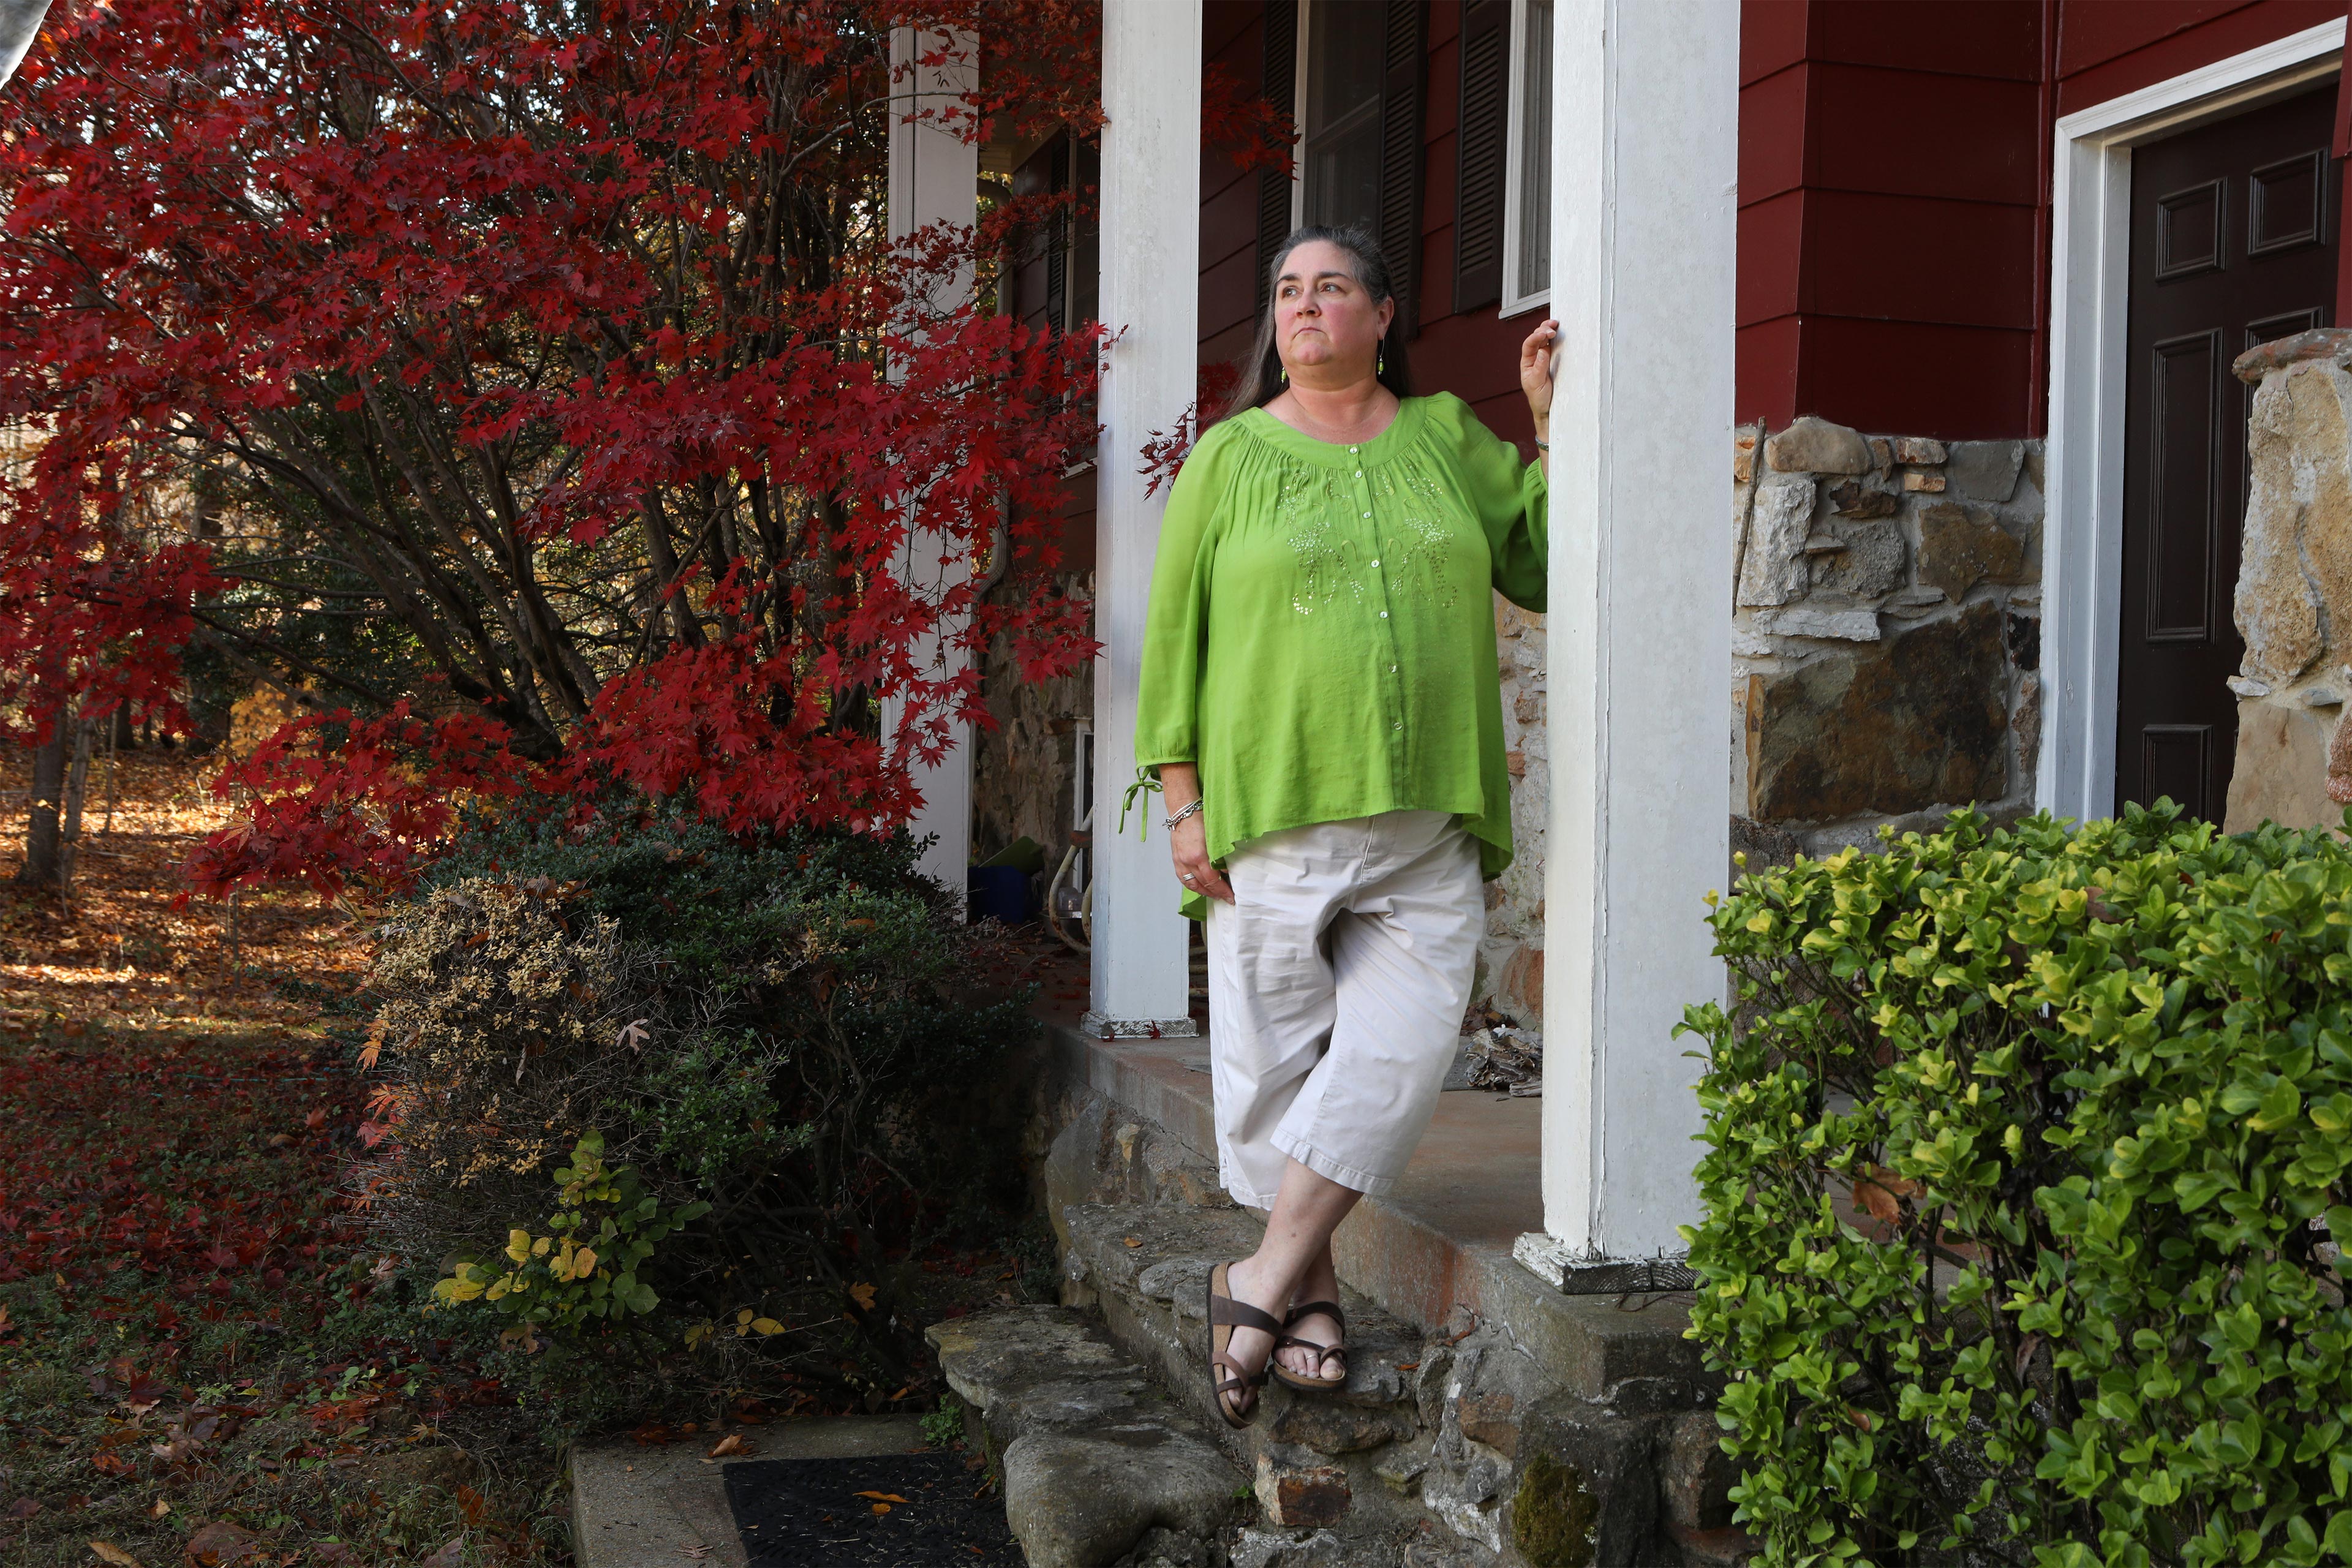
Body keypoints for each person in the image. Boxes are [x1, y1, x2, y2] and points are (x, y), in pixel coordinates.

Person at [1131, 223, 1556, 1425]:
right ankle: (1307, 1303)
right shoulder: (1228, 456)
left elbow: (1543, 555)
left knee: (1403, 1053)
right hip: (1271, 808)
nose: (1305, 306)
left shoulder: (1443, 437)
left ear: (1380, 316)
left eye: (1332, 287)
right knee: (1270, 1071)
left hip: (1426, 811)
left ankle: (1253, 1279)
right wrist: (1181, 797)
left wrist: (1547, 425)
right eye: (1287, 291)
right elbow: (1175, 638)